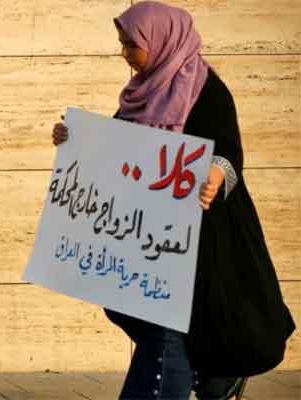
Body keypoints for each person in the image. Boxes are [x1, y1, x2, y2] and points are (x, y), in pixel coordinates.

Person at [51, 2, 296, 399]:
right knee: (140, 315)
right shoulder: (140, 94)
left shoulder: (205, 89)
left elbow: (228, 150)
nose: (125, 55)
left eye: (132, 46)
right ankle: (216, 377)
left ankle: (206, 378)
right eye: (123, 45)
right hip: (147, 234)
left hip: (200, 234)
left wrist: (217, 172)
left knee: (167, 330)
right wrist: (74, 140)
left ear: (162, 40)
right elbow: (120, 147)